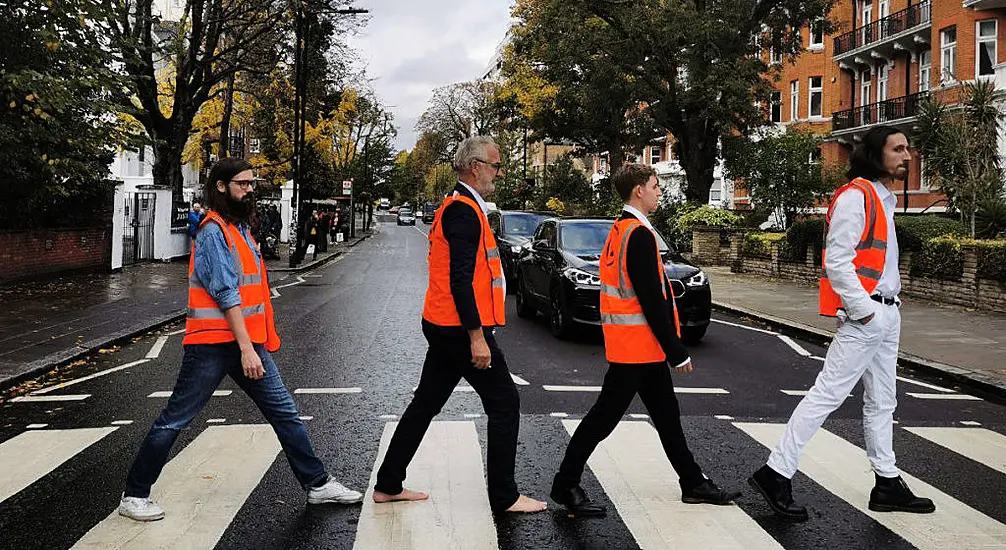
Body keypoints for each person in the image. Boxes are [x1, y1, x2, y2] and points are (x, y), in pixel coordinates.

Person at [118, 158, 362, 522]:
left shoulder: (239, 227)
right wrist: (247, 349)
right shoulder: (215, 231)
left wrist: (250, 344)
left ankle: (317, 483)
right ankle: (134, 495)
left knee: (285, 413)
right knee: (175, 419)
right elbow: (225, 293)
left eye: (252, 184)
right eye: (243, 184)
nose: (250, 190)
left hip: (246, 342)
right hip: (214, 345)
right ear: (220, 186)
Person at [748, 126, 935, 521]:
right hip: (867, 315)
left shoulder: (882, 198)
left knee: (883, 401)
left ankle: (886, 481)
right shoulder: (856, 197)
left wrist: (880, 311)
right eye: (898, 149)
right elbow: (837, 261)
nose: (907, 155)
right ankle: (776, 472)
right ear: (875, 154)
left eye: (908, 149)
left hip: (887, 312)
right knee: (827, 395)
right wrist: (864, 310)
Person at [551, 164, 740, 517]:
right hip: (636, 349)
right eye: (655, 186)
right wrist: (677, 350)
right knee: (603, 419)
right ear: (638, 190)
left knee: (667, 417)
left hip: (638, 347)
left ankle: (692, 483)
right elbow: (651, 300)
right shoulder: (637, 234)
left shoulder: (621, 230)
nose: (659, 191)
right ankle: (565, 483)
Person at [372, 136, 547, 514]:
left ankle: (388, 484)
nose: (499, 173)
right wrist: (477, 337)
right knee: (505, 402)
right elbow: (461, 279)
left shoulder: (458, 206)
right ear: (476, 167)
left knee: (425, 404)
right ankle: (504, 496)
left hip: (441, 323)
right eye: (496, 166)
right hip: (457, 328)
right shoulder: (464, 211)